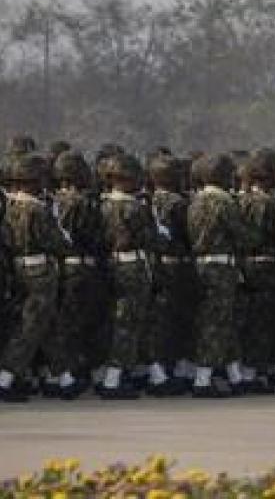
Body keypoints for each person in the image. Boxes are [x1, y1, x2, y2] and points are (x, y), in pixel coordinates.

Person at [0, 154, 68, 402]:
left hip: (19, 267)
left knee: (46, 323)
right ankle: (5, 378)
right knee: (31, 326)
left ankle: (63, 377)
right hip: (40, 270)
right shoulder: (37, 209)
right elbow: (55, 242)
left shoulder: (10, 206)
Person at [187, 153, 250, 398]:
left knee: (223, 321)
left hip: (202, 266)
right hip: (221, 269)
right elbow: (243, 236)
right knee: (216, 323)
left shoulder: (195, 201)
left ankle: (235, 376)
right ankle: (202, 380)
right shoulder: (224, 203)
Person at [43, 150, 104, 398]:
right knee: (75, 323)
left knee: (62, 320)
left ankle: (56, 374)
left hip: (58, 266)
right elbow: (92, 237)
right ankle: (65, 375)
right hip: (79, 266)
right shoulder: (81, 202)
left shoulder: (52, 201)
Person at [97, 153, 159, 399]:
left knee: (125, 321)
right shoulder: (135, 208)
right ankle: (113, 380)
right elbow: (150, 238)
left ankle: (151, 374)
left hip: (112, 264)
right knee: (129, 324)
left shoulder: (103, 205)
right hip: (133, 266)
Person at [236, 149, 275, 394]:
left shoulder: (241, 200)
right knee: (265, 322)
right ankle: (252, 373)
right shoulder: (271, 204)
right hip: (268, 267)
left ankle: (253, 370)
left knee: (253, 320)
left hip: (248, 265)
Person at [144, 153, 194, 396]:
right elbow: (190, 235)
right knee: (177, 319)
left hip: (154, 264)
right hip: (176, 265)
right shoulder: (180, 204)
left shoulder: (147, 201)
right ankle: (173, 370)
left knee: (159, 319)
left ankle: (160, 368)